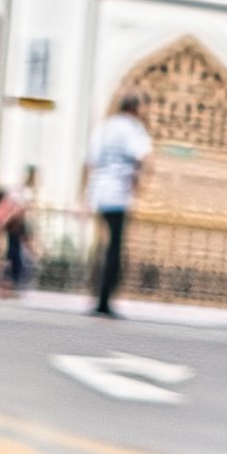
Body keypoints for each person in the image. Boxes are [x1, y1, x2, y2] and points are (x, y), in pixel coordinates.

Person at [85, 93, 152, 317]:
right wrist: (137, 185)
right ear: (135, 108)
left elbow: (90, 161)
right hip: (118, 193)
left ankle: (95, 294)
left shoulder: (105, 127)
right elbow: (142, 158)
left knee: (100, 245)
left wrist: (85, 194)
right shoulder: (134, 128)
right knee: (115, 248)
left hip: (99, 192)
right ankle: (105, 299)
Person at [0, 166, 36, 295]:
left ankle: (11, 279)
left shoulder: (21, 189)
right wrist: (7, 219)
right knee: (14, 251)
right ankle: (12, 280)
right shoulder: (25, 191)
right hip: (16, 224)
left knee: (14, 250)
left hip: (14, 224)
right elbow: (20, 209)